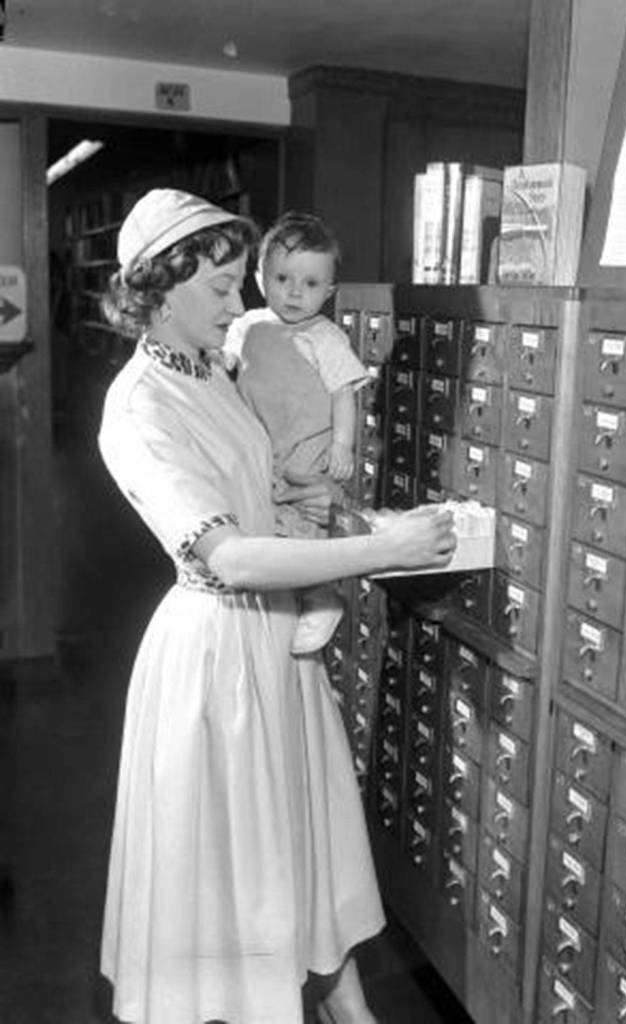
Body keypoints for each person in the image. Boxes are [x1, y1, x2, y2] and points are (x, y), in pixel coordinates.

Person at [97, 187, 455, 1024]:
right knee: (232, 870)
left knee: (299, 845)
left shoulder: (213, 368)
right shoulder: (139, 407)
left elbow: (281, 477)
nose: (239, 301)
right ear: (156, 286)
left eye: (236, 283)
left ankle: (346, 1007)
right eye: (221, 287)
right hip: (214, 657)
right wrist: (383, 553)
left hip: (277, 645)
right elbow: (231, 554)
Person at [225, 211, 367, 656]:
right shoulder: (246, 326)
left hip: (307, 445)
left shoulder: (324, 337)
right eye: (283, 277)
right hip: (261, 442)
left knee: (307, 519)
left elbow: (344, 393)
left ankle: (323, 595)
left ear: (329, 291)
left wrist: (343, 444)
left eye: (310, 284)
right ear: (260, 277)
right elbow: (224, 367)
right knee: (265, 520)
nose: (294, 292)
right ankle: (281, 598)